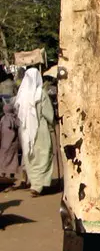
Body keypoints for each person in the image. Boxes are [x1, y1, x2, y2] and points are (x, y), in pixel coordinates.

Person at [14, 68, 55, 197]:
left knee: (30, 156)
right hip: (40, 129)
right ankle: (38, 185)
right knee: (43, 155)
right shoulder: (40, 94)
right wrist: (53, 123)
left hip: (25, 131)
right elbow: (48, 114)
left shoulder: (21, 95)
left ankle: (35, 183)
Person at [0, 103, 20, 180]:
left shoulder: (3, 119)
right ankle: (12, 175)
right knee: (13, 158)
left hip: (4, 143)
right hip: (13, 143)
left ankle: (3, 173)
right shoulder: (15, 119)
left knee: (3, 157)